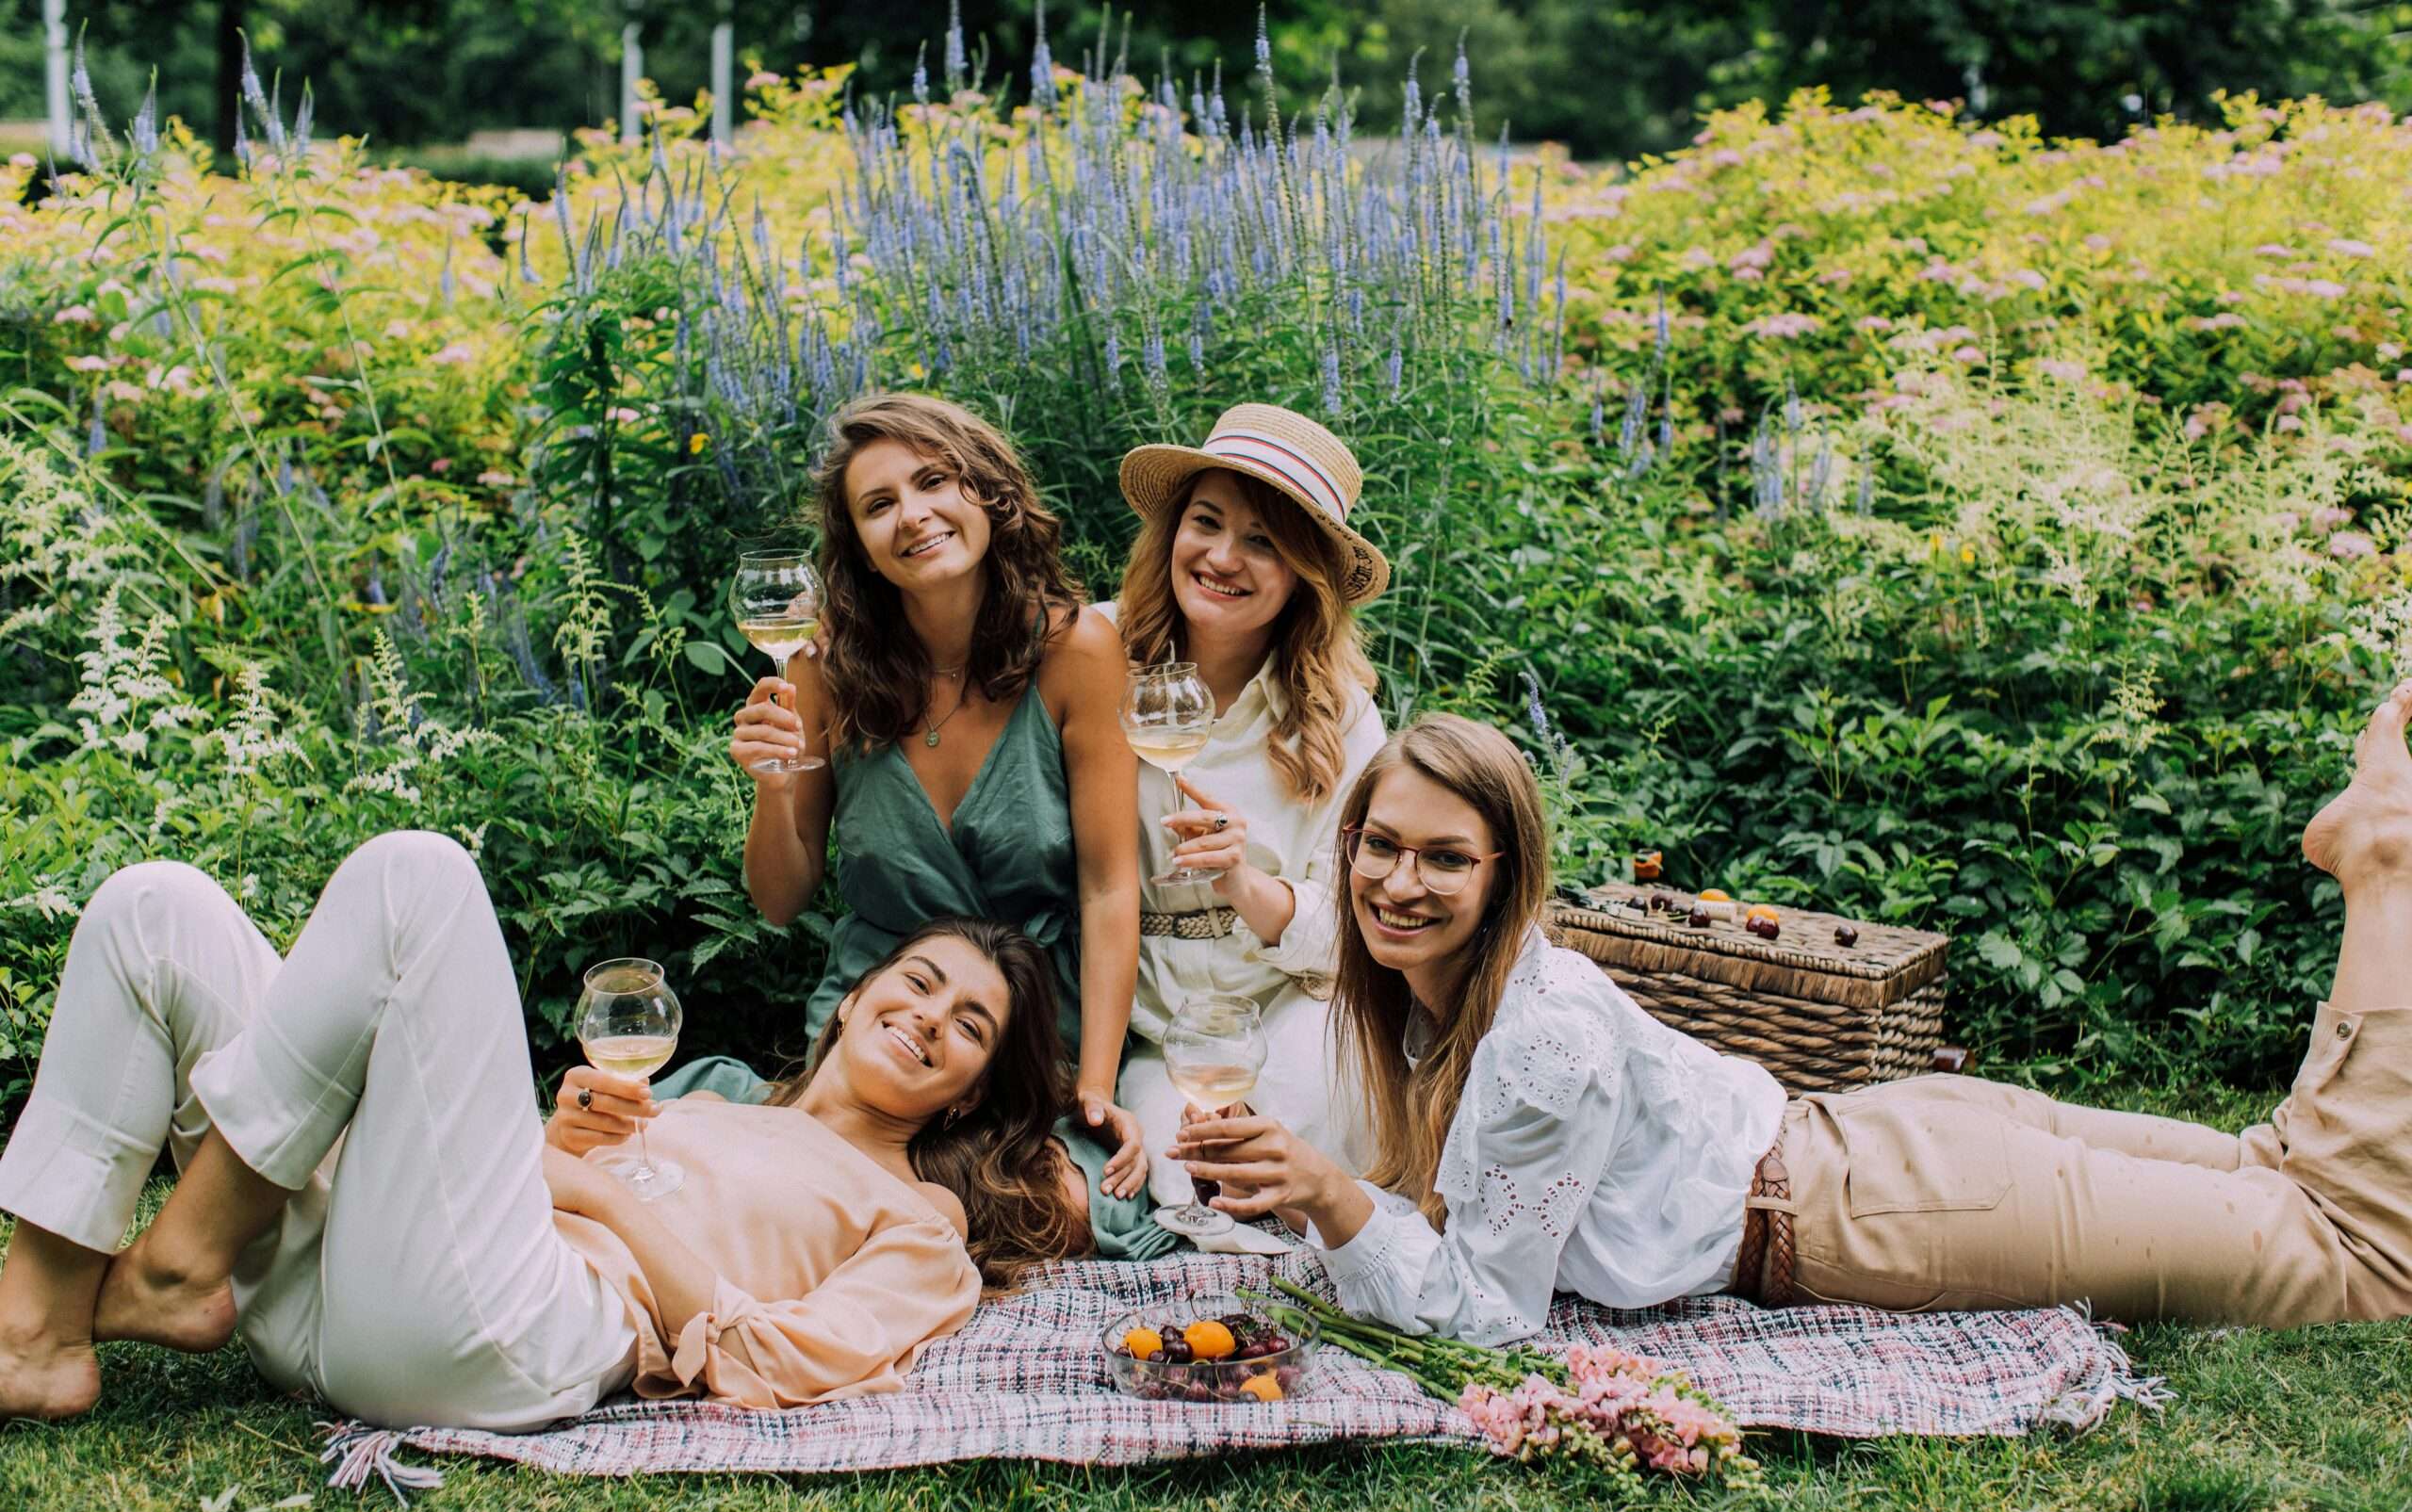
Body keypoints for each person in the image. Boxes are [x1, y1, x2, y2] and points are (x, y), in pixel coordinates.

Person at [1166, 690, 2412, 1342]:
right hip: (1877, 1139)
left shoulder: (1536, 1035)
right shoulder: (1438, 994)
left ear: (1505, 877)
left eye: (1444, 857)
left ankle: (2381, 866)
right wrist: (1305, 1186)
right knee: (2270, 1169)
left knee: (2355, 1256)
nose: (1397, 881)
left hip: (1873, 1208)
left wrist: (1333, 1198)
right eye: (1380, 845)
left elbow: (1492, 1319)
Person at [0, 834, 1073, 1426]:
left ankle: (183, 1262)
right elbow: (508, 1175)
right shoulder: (710, 1103)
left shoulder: (921, 1221)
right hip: (365, 1280)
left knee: (418, 878)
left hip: (503, 1333)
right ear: (853, 996)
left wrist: (598, 1194)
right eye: (918, 981)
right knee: (157, 909)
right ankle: (33, 1339)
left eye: (968, 1023)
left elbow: (788, 1360)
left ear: (974, 1090)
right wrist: (562, 1147)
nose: (928, 1016)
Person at [711, 394, 1148, 1238]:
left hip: (1026, 1034)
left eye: (932, 482)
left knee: (1058, 1207)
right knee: (830, 1197)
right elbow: (780, 899)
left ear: (986, 493)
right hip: (884, 1027)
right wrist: (771, 785)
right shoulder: (824, 668)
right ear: (862, 549)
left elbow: (1107, 889)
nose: (912, 516)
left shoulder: (1078, 650)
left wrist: (1094, 1082)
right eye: (878, 506)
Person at [1104, 403, 1388, 1214]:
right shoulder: (1099, 658)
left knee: (1305, 1143)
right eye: (1207, 522)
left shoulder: (1341, 717)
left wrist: (1245, 880)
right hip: (1155, 1031)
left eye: (1263, 541)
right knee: (1182, 1184)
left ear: (1303, 570)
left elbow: (1362, 929)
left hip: (1284, 1014)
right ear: (1173, 533)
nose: (1223, 557)